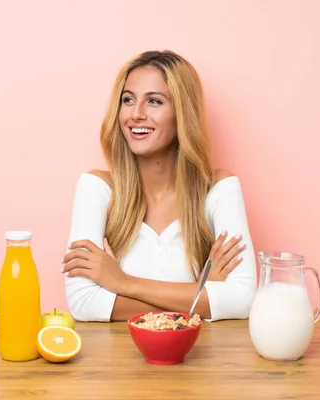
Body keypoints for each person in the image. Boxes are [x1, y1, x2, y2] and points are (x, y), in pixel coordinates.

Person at [61, 50, 257, 322]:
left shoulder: (220, 190)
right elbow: (83, 303)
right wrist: (199, 296)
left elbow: (242, 300)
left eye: (154, 101)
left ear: (182, 113)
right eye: (128, 100)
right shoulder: (96, 188)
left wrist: (124, 284)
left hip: (200, 362)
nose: (136, 114)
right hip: (116, 363)